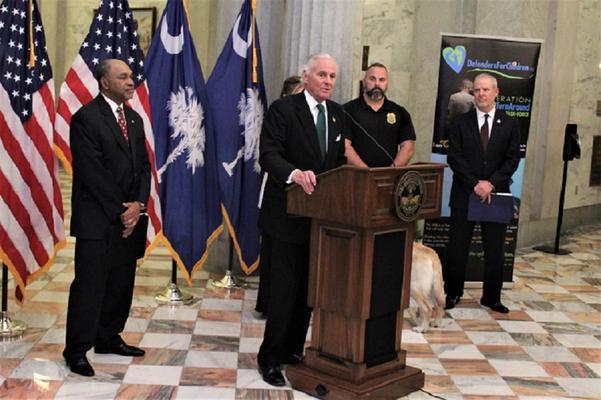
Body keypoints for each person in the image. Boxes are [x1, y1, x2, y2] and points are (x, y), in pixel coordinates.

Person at [257, 54, 347, 386]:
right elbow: (268, 154)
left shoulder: (337, 115)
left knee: (308, 292)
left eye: (333, 76)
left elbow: (337, 164)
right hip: (285, 217)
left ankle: (293, 350)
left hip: (320, 222)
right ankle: (270, 359)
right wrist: (294, 173)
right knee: (282, 292)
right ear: (306, 76)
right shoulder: (284, 110)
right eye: (322, 74)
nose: (328, 81)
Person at [63, 59, 150, 376]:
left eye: (130, 76)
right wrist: (121, 209)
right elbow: (91, 172)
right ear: (104, 82)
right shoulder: (86, 118)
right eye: (123, 77)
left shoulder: (136, 119)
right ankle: (76, 350)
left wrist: (138, 204)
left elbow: (143, 169)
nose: (131, 82)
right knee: (90, 285)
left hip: (129, 219)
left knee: (120, 283)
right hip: (98, 220)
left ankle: (108, 336)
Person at [444, 73, 520, 314]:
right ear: (472, 93)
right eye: (477, 90)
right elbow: (455, 157)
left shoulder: (509, 123)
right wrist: (476, 184)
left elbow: (512, 159)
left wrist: (491, 184)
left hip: (495, 196)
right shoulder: (459, 122)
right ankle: (453, 293)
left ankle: (492, 298)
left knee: (495, 249)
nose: (481, 94)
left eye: (486, 90)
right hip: (465, 193)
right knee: (457, 247)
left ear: (496, 92)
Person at [255, 75, 304, 317]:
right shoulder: (279, 115)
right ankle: (268, 302)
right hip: (278, 190)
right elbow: (270, 156)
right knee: (273, 254)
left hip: (303, 201)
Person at [343, 62, 415, 168]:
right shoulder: (347, 110)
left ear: (387, 83)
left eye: (382, 80)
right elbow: (345, 147)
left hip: (388, 179)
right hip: (356, 177)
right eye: (372, 79)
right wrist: (366, 172)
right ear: (364, 81)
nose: (377, 84)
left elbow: (408, 147)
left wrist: (391, 171)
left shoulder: (400, 112)